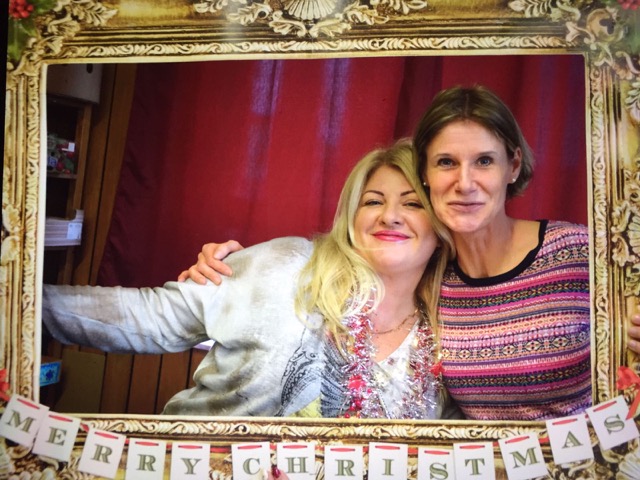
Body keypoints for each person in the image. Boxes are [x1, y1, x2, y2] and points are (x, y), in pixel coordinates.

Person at [182, 86, 592, 421]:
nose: (465, 182)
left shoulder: (577, 253)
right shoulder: (434, 279)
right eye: (446, 162)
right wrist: (234, 268)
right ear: (426, 174)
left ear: (513, 166)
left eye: (484, 161)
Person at [42, 140, 456, 420]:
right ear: (351, 217)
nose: (390, 216)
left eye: (412, 204)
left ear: (441, 226)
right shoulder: (287, 266)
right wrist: (24, 301)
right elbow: (151, 317)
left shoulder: (453, 332)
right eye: (373, 201)